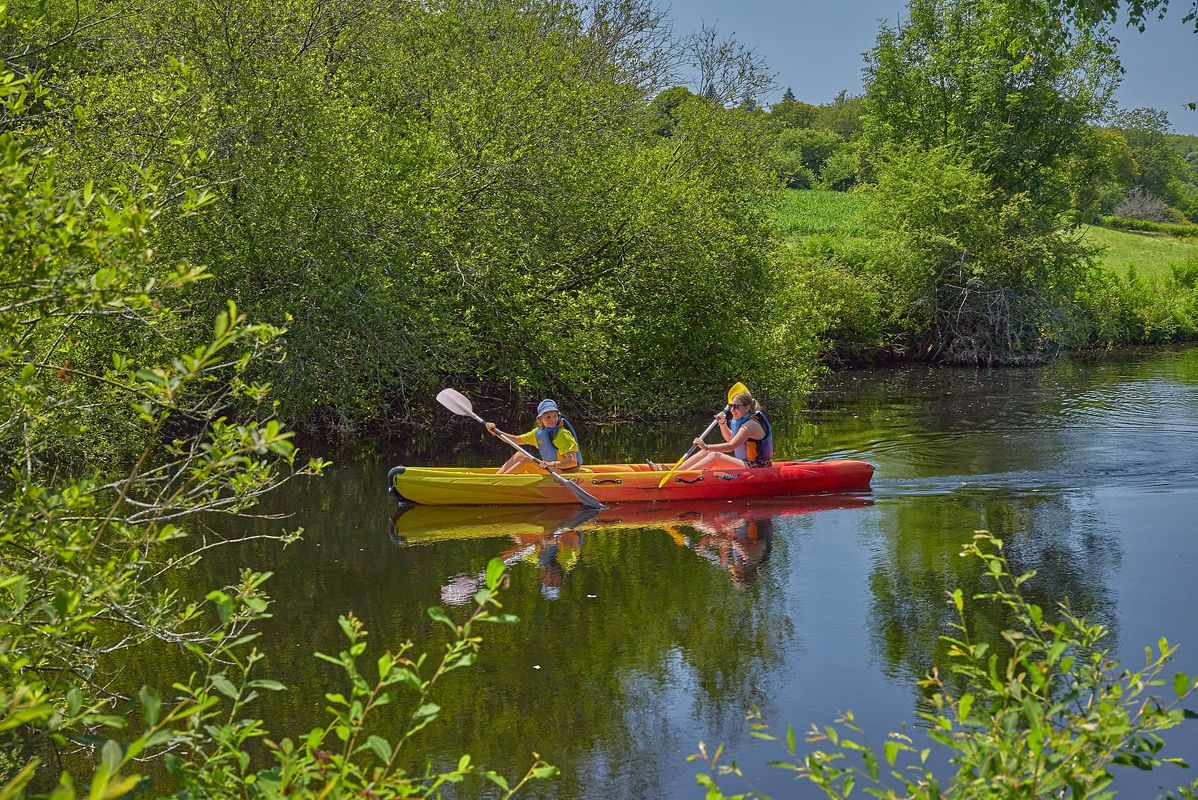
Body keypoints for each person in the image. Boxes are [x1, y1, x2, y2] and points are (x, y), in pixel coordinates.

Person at [675, 389, 773, 471]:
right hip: (746, 463)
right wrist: (722, 423)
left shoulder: (751, 425)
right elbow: (730, 439)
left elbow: (731, 446)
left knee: (714, 456)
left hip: (757, 466)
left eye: (736, 406)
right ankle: (676, 471)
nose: (732, 409)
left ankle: (680, 477)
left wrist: (706, 446)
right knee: (705, 452)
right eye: (731, 406)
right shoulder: (743, 421)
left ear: (747, 408)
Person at [485, 398, 583, 474]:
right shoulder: (537, 433)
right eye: (548, 417)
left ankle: (499, 483)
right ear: (540, 419)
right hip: (552, 470)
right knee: (520, 454)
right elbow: (516, 440)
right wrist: (496, 432)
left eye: (555, 416)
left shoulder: (562, 434)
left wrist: (550, 464)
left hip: (567, 473)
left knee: (527, 460)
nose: (552, 420)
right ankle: (496, 478)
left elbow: (572, 461)